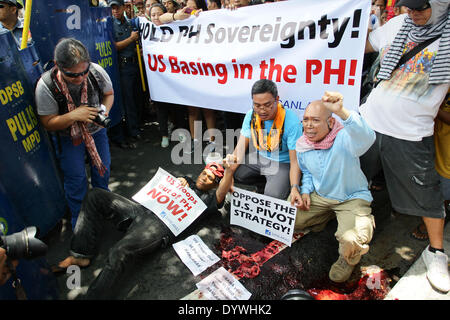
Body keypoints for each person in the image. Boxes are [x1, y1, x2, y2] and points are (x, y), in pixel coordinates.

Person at [52, 155, 236, 299]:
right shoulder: (187, 180)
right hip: (141, 210)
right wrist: (178, 180)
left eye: (210, 178)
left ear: (215, 185)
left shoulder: (210, 200)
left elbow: (222, 191)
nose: (204, 178)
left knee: (119, 251)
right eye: (204, 173)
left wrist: (229, 172)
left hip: (159, 225)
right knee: (96, 195)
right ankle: (80, 255)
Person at [360, 0, 450, 293]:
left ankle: (436, 254)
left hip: (411, 132)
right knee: (354, 177)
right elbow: (361, 47)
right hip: (369, 121)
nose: (413, 12)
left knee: (427, 195)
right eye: (408, 6)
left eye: (421, 7)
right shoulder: (399, 24)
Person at [292, 91, 376, 283]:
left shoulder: (344, 138)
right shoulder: (303, 145)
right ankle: (323, 217)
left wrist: (343, 112)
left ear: (330, 123)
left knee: (351, 238)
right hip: (321, 197)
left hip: (351, 198)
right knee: (288, 216)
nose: (309, 125)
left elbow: (367, 137)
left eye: (315, 120)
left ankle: (348, 258)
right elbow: (309, 174)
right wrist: (305, 191)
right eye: (305, 120)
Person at [35, 38, 113, 229]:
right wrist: (73, 116)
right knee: (76, 179)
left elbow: (109, 94)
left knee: (102, 170)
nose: (80, 78)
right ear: (58, 66)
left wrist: (104, 110)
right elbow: (47, 122)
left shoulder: (95, 72)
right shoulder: (46, 85)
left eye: (83, 72)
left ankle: (103, 207)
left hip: (97, 131)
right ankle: (80, 224)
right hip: (69, 137)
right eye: (72, 75)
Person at [231, 79, 302, 200]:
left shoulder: (292, 122)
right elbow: (240, 148)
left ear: (277, 99)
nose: (262, 110)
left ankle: (281, 186)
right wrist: (229, 173)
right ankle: (263, 184)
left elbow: (295, 161)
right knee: (232, 172)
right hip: (259, 157)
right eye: (257, 105)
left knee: (272, 197)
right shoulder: (251, 115)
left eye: (267, 105)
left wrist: (295, 186)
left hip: (283, 163)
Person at [412, 91, 450, 240]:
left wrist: (433, 110)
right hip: (435, 138)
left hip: (447, 150)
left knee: (444, 188)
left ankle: (439, 215)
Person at [109, 0, 146, 147]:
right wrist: (130, 38)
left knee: (137, 97)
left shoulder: (130, 23)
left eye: (117, 8)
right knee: (128, 100)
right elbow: (114, 47)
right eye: (112, 8)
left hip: (135, 63)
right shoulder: (111, 25)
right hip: (123, 66)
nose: (115, 11)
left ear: (124, 7)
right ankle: (133, 130)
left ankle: (137, 124)